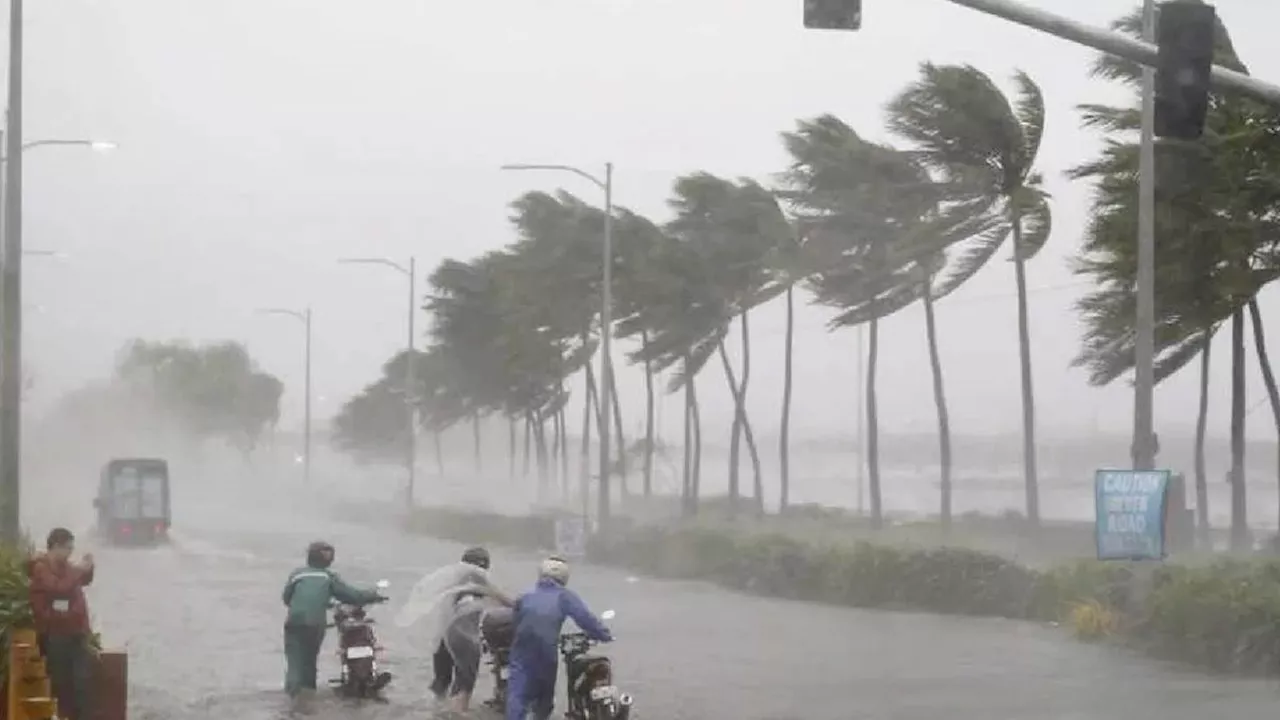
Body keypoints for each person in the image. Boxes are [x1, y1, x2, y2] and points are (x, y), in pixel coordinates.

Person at [505, 555, 612, 720]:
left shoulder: (525, 594)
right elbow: (585, 619)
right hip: (546, 650)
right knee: (544, 694)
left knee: (518, 693)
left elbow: (515, 621)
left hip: (522, 648)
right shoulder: (564, 596)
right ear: (564, 577)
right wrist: (604, 635)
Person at [281, 540, 386, 695]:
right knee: (309, 660)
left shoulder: (297, 574)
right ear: (328, 560)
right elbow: (352, 596)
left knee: (294, 661)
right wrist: (373, 595)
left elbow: (286, 598)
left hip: (294, 622)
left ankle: (292, 696)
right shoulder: (328, 577)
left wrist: (318, 603)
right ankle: (308, 695)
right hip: (315, 623)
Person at [430, 546, 513, 712]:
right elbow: (503, 600)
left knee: (442, 679)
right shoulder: (479, 582)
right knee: (465, 679)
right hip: (463, 637)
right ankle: (457, 711)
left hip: (441, 637)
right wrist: (523, 606)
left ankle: (436, 710)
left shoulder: (452, 582)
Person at [28, 527, 95, 720]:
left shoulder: (66, 568)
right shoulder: (41, 567)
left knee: (82, 683)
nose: (70, 554)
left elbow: (81, 579)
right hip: (55, 634)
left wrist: (88, 568)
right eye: (67, 549)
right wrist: (78, 572)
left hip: (76, 631)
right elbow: (59, 588)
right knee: (61, 684)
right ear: (55, 546)